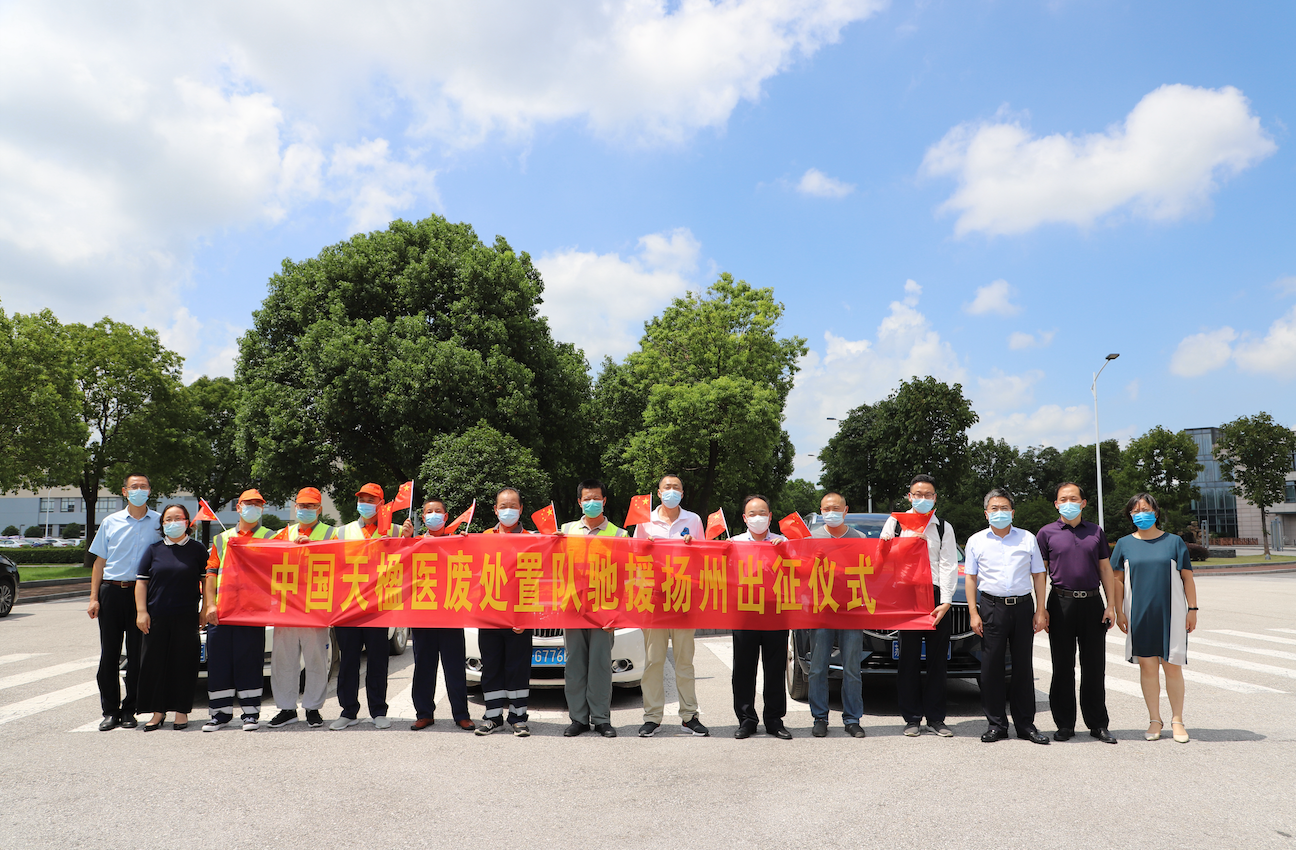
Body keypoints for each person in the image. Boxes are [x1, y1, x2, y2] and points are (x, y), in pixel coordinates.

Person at [1111, 492, 1198, 744]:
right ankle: (1154, 720)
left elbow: (1187, 577)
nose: (1141, 514)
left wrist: (1193, 609)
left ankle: (1177, 720)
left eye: (1146, 509)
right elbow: (1117, 580)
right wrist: (1119, 611)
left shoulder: (1174, 542)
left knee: (1172, 666)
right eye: (1136, 511)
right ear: (1130, 515)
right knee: (1148, 667)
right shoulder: (1124, 544)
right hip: (1140, 615)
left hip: (1171, 614)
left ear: (1156, 512)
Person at [965, 488, 1050, 744]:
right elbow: (970, 578)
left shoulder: (1027, 538)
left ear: (1012, 512)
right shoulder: (976, 541)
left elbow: (1039, 575)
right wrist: (973, 613)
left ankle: (1026, 725)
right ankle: (996, 725)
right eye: (994, 508)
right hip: (991, 607)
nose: (999, 512)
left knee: (1022, 666)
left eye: (1004, 508)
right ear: (986, 513)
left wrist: (1041, 609)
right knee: (991, 667)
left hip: (1022, 607)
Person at [1036, 482, 1118, 744]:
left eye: (1073, 498)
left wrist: (1111, 605)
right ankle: (1064, 724)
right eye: (1063, 499)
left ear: (1083, 503)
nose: (1068, 503)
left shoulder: (1095, 531)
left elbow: (1105, 569)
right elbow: (1040, 574)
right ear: (1056, 504)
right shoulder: (1046, 533)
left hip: (1092, 603)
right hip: (1060, 603)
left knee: (1094, 666)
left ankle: (1098, 724)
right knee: (1062, 666)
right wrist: (1041, 608)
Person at [880, 474, 959, 738]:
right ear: (909, 497)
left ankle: (936, 718)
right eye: (918, 494)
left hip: (936, 597)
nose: (922, 499)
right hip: (907, 595)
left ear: (935, 498)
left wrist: (946, 601)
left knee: (937, 661)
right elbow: (882, 557)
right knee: (909, 659)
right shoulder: (895, 522)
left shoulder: (943, 527)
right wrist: (902, 545)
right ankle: (911, 717)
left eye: (928, 495)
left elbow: (949, 565)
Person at [633, 474, 709, 738]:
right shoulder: (644, 521)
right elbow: (634, 556)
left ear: (682, 494)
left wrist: (693, 547)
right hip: (653, 599)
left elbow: (704, 557)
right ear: (658, 492)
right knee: (654, 661)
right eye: (667, 487)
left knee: (684, 662)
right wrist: (645, 548)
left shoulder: (693, 520)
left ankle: (689, 716)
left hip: (683, 598)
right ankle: (652, 717)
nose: (672, 491)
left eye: (677, 488)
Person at [87, 473, 160, 731]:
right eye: (134, 486)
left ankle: (130, 709)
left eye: (144, 486)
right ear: (124, 491)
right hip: (111, 592)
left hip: (142, 595)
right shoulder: (111, 522)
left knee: (138, 655)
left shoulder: (159, 522)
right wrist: (94, 598)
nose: (139, 490)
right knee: (109, 654)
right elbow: (99, 563)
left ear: (150, 490)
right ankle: (110, 710)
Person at [203, 489, 277, 732]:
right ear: (238, 507)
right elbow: (211, 574)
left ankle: (250, 714)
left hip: (252, 612)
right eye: (248, 503)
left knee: (250, 662)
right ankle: (219, 714)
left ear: (262, 509)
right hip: (223, 611)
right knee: (219, 663)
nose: (253, 507)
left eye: (258, 504)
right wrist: (210, 604)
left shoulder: (271, 537)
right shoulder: (222, 539)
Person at [558, 479, 626, 739]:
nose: (592, 503)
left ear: (604, 501)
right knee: (574, 665)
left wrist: (617, 614)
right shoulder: (566, 531)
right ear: (579, 502)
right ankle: (578, 719)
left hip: (603, 611)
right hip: (573, 607)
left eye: (596, 498)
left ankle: (601, 719)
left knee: (600, 666)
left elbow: (624, 577)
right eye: (587, 499)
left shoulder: (619, 535)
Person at [401, 497, 475, 732]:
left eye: (437, 511)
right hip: (422, 615)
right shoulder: (415, 543)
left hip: (451, 613)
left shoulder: (457, 541)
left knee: (454, 667)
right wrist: (405, 540)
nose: (433, 515)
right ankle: (424, 713)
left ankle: (461, 714)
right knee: (423, 666)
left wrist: (467, 544)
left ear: (445, 516)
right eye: (428, 512)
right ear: (423, 518)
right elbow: (400, 568)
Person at [266, 488, 335, 730]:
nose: (305, 510)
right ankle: (286, 708)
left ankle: (313, 708)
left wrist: (314, 547)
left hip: (316, 607)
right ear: (295, 507)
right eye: (301, 506)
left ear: (319, 509)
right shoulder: (283, 534)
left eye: (310, 506)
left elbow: (342, 561)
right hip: (286, 607)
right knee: (284, 660)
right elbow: (266, 561)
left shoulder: (331, 533)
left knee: (316, 659)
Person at [134, 504, 207, 731]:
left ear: (187, 522)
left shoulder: (197, 549)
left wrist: (205, 609)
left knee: (184, 663)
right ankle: (157, 712)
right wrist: (141, 612)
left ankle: (181, 711)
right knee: (155, 664)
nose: (173, 522)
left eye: (178, 518)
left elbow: (207, 581)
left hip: (187, 616)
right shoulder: (153, 550)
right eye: (168, 519)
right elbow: (141, 582)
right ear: (162, 523)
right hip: (156, 616)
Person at [331, 482, 396, 730]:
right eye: (362, 500)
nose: (365, 504)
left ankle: (378, 710)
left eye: (371, 500)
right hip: (348, 607)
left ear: (382, 504)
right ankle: (348, 711)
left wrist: (407, 537)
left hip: (379, 608)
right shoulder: (342, 532)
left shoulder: (395, 530)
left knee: (378, 661)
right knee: (348, 661)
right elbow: (328, 563)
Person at [730, 495, 791, 740]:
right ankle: (746, 720)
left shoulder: (783, 542)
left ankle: (774, 720)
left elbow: (800, 570)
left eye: (762, 513)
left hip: (776, 613)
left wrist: (786, 552)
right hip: (744, 613)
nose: (758, 518)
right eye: (752, 514)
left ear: (770, 516)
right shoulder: (734, 543)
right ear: (745, 518)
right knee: (743, 669)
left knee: (775, 668)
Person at [476, 487, 536, 737]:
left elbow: (538, 580)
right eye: (503, 506)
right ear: (495, 510)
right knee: (491, 667)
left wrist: (526, 616)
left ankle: (518, 717)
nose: (508, 510)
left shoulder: (533, 539)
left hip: (519, 618)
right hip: (489, 615)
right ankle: (492, 717)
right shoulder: (482, 538)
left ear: (521, 509)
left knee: (517, 668)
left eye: (513, 506)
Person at [808, 491, 867, 739]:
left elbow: (871, 571)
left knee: (852, 668)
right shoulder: (810, 538)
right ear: (820, 511)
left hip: (851, 610)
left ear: (845, 510)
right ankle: (820, 718)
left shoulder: (860, 538)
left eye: (836, 508)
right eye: (826, 509)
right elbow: (798, 574)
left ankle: (852, 719)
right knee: (818, 667)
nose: (831, 513)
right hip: (821, 610)